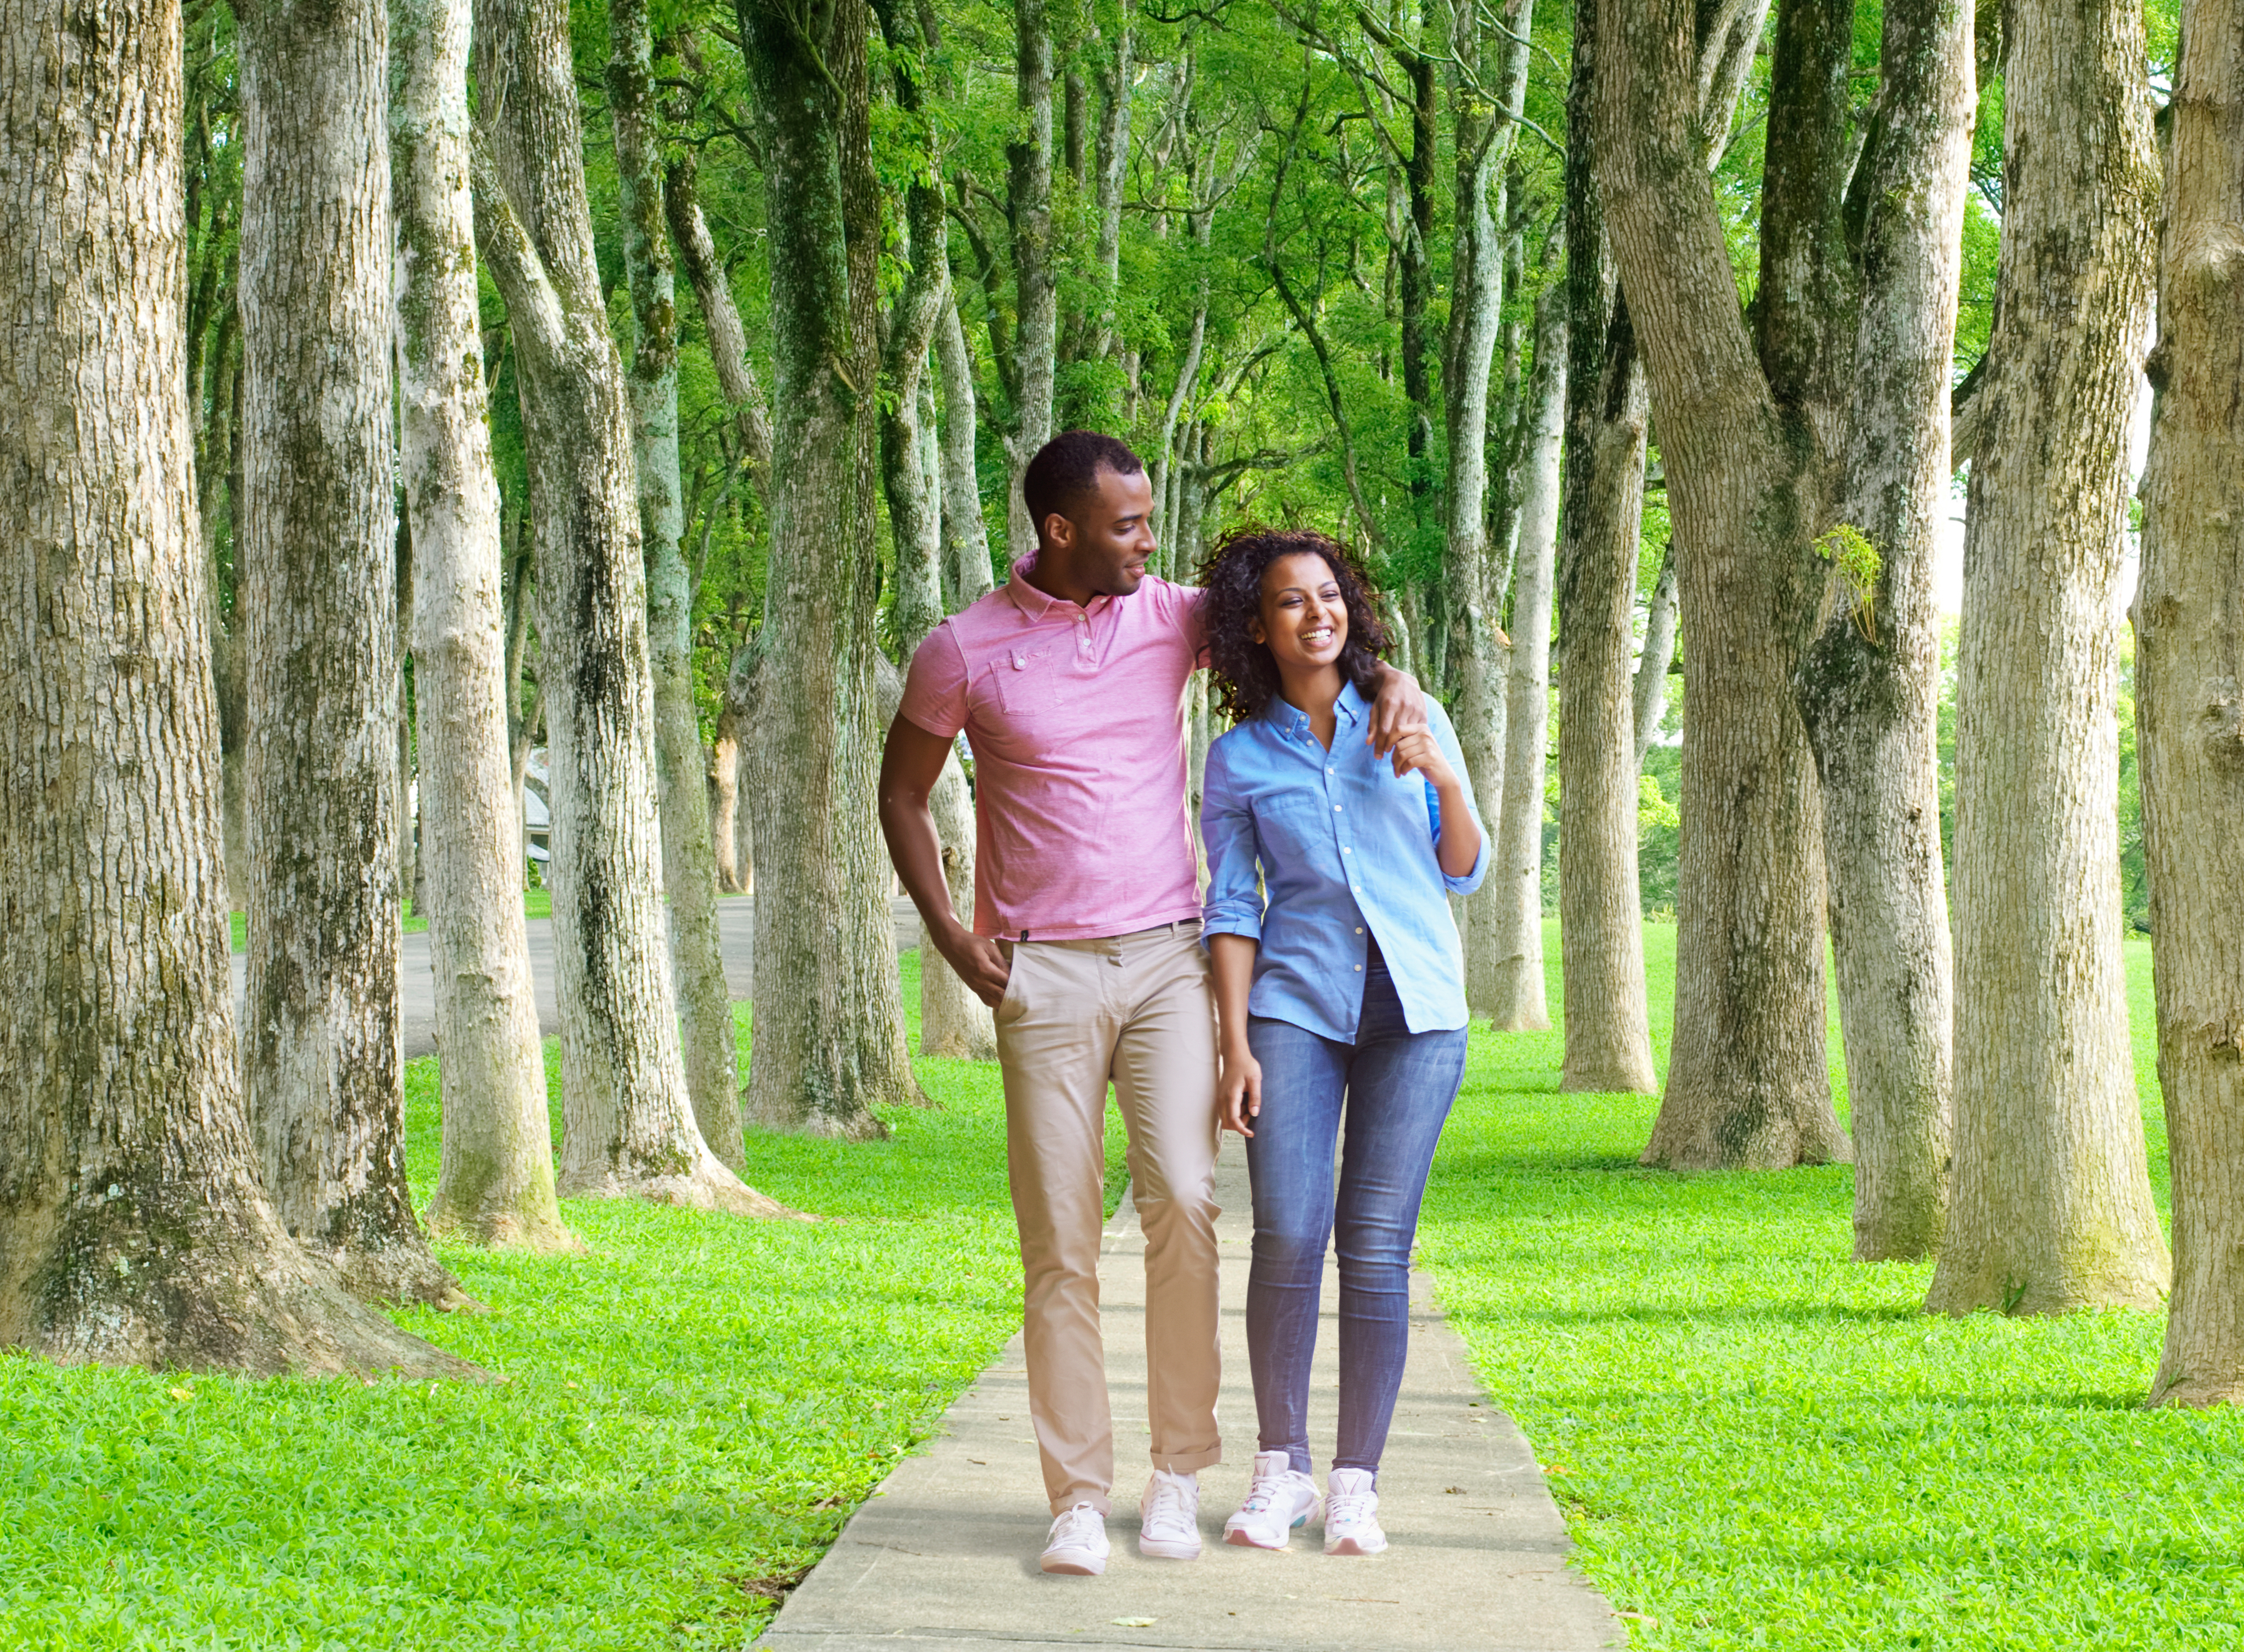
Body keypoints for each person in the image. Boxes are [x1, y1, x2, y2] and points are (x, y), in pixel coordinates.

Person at [877, 435, 1427, 1577]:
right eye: (1126, 524)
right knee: (1059, 1240)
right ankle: (1076, 1496)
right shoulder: (961, 652)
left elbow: (1311, 627)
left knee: (1184, 1199)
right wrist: (946, 931)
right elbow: (901, 795)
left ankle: (1176, 1474)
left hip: (1172, 957)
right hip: (1044, 973)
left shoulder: (1171, 616)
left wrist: (1400, 681)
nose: (1148, 540)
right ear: (1061, 530)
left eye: (1148, 520)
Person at [1196, 527, 1487, 1558]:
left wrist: (1441, 779)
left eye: (1328, 596)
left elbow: (1462, 871)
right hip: (1294, 1005)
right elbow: (1231, 908)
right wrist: (1233, 1048)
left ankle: (1356, 1485)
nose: (1314, 614)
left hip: (1416, 1010)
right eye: (1288, 601)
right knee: (1284, 1230)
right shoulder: (1234, 760)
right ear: (1255, 627)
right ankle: (1280, 1473)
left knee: (1374, 1249)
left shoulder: (1410, 714)